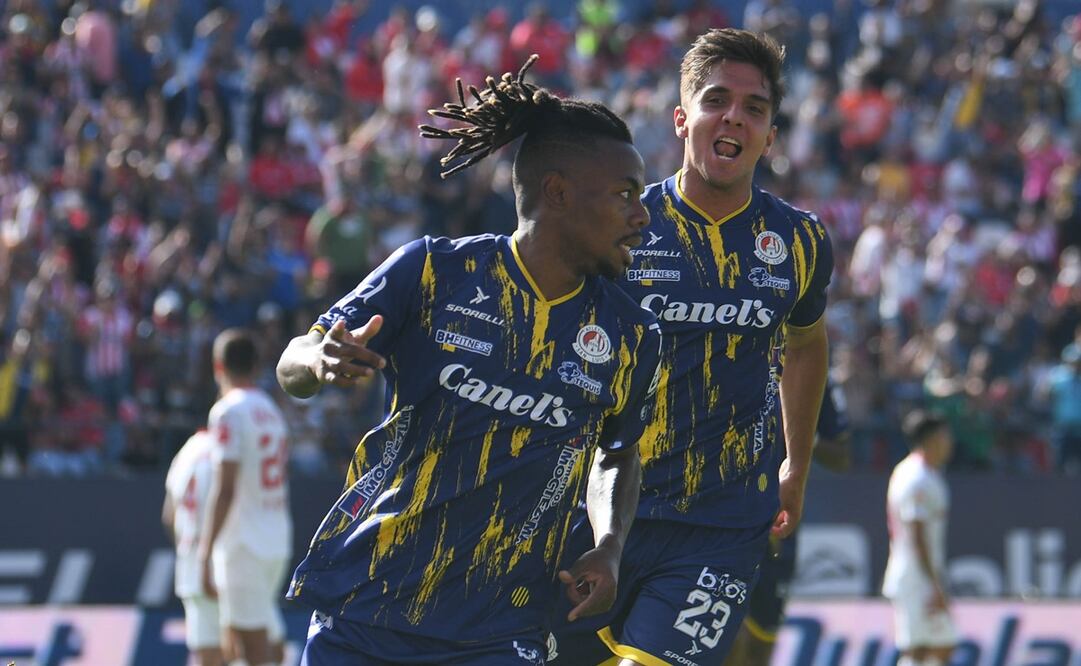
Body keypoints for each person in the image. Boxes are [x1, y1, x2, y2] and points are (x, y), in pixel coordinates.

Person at [275, 57, 662, 665]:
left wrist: (610, 544)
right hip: (366, 614)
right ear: (557, 192)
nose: (642, 214)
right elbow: (293, 362)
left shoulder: (632, 334)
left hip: (501, 634)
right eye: (624, 195)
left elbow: (618, 450)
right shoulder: (431, 270)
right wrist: (319, 358)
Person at [549, 28, 833, 665]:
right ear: (683, 120)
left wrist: (796, 465)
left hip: (723, 526)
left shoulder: (801, 242)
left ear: (770, 134)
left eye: (754, 108)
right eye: (717, 100)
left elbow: (807, 344)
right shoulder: (618, 230)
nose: (735, 116)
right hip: (601, 515)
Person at [723, 379, 851, 665]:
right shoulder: (724, 346)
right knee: (725, 637)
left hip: (776, 533)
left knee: (761, 644)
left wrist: (801, 428)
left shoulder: (815, 373)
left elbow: (841, 457)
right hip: (719, 521)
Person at [198, 328, 291, 666]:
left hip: (243, 545)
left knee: (252, 654)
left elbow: (225, 488)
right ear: (255, 367)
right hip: (275, 538)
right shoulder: (271, 410)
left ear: (217, 367)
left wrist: (203, 551)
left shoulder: (227, 411)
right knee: (243, 642)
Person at [883, 410, 956, 666]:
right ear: (933, 438)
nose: (950, 443)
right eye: (946, 436)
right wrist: (933, 582)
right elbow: (916, 534)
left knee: (939, 646)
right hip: (916, 576)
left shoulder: (925, 473)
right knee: (919, 649)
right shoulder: (916, 478)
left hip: (922, 574)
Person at [163, 429, 224, 666]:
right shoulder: (235, 445)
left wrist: (188, 551)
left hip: (191, 560)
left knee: (206, 652)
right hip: (229, 557)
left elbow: (169, 515)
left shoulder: (189, 450)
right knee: (249, 646)